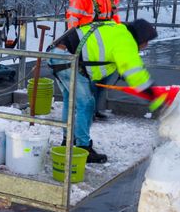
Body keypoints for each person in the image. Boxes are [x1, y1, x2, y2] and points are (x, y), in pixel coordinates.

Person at [49, 19, 159, 164]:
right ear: (141, 37)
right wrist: (153, 95)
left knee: (70, 101)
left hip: (58, 53)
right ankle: (83, 148)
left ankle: (68, 140)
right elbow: (135, 72)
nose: (147, 45)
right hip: (67, 59)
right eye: (147, 41)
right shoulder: (125, 41)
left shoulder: (117, 30)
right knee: (86, 104)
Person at [65, 0, 122, 120]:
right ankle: (87, 112)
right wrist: (75, 46)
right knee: (89, 79)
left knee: (106, 75)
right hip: (88, 43)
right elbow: (72, 19)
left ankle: (96, 109)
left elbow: (114, 15)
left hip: (107, 41)